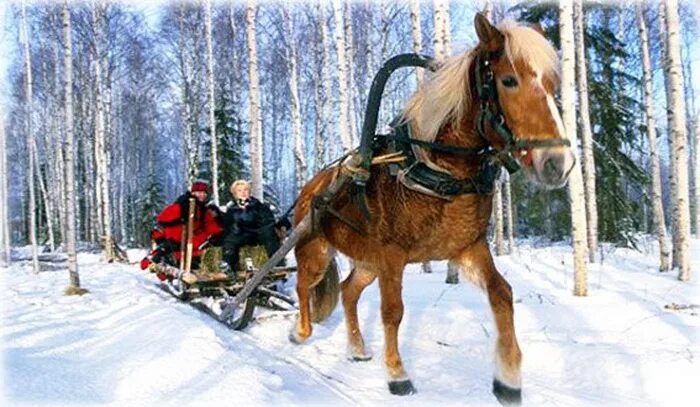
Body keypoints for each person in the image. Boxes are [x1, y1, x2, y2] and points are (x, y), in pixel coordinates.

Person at [141, 180, 223, 273]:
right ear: (192, 193)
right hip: (180, 239)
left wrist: (219, 232)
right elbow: (163, 218)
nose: (202, 195)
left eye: (204, 193)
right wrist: (181, 213)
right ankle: (157, 261)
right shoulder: (183, 204)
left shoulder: (204, 209)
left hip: (195, 239)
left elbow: (211, 226)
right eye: (198, 192)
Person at [220, 180, 286, 272]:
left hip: (257, 233)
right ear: (234, 193)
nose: (243, 193)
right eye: (239, 190)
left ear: (249, 192)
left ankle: (277, 263)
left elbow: (267, 220)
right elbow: (227, 225)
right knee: (229, 240)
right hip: (241, 234)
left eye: (245, 190)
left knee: (269, 235)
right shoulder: (231, 209)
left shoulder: (258, 205)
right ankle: (228, 265)